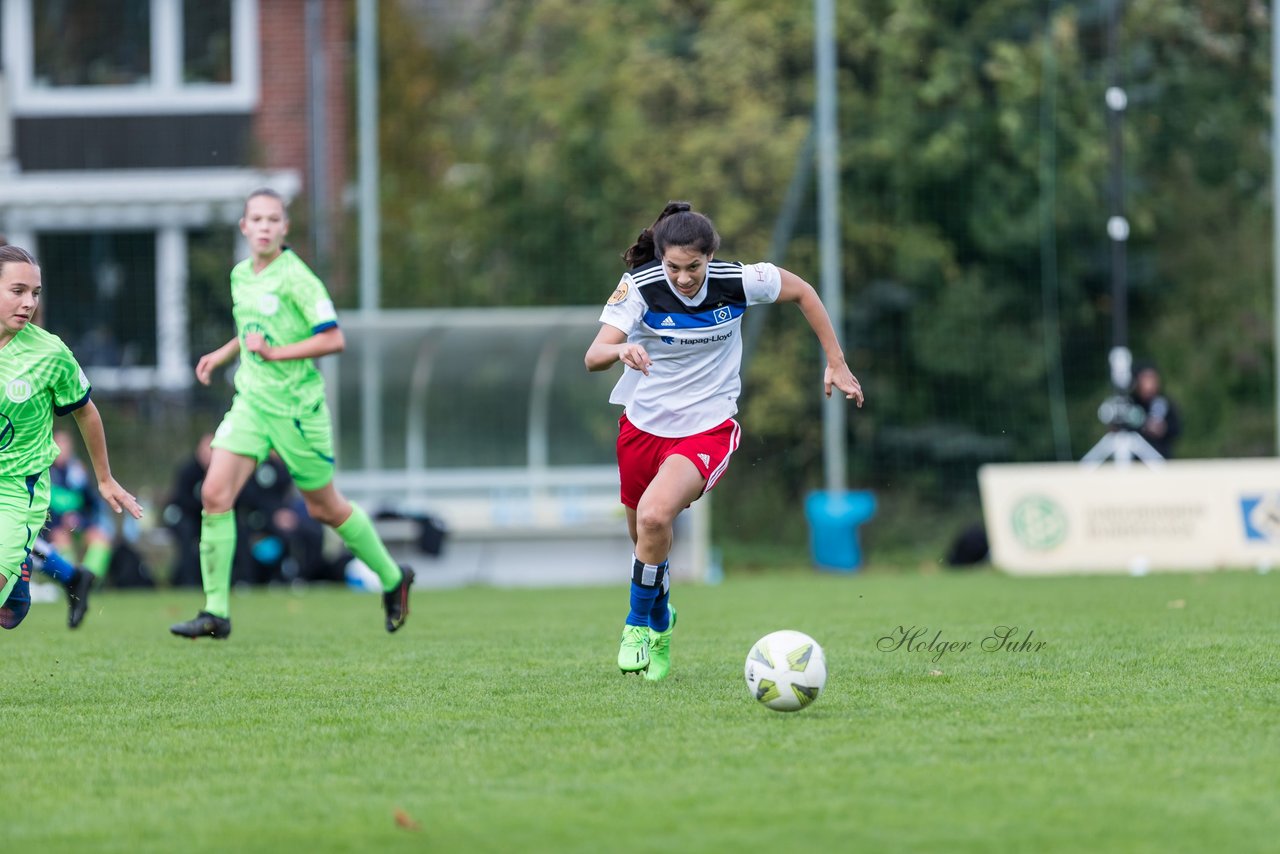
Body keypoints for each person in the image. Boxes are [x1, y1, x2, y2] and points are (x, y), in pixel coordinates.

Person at [585, 201, 864, 681]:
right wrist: (620, 348)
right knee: (645, 541)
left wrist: (836, 361)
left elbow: (803, 292)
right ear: (661, 258)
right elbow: (593, 356)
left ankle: (635, 624)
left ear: (710, 257)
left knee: (655, 516)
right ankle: (660, 618)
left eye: (693, 267)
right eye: (673, 266)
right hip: (643, 428)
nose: (684, 278)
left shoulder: (740, 280)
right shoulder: (642, 286)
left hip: (707, 427)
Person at [169, 188, 414, 640]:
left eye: (272, 220)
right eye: (256, 219)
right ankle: (216, 612)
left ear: (285, 228)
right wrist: (224, 355)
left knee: (325, 507)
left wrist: (277, 353)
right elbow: (251, 332)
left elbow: (333, 339)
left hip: (298, 411)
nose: (263, 227)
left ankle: (394, 578)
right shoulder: (241, 274)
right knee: (214, 495)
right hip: (252, 404)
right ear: (244, 227)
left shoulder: (299, 279)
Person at [0, 243, 143, 631]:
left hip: (17, 490)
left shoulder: (49, 353)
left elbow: (85, 411)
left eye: (35, 293)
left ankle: (18, 570)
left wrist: (104, 478)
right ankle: (20, 578)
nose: (29, 302)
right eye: (18, 291)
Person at [43, 428, 116, 626]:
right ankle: (69, 580)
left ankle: (87, 584)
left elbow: (91, 503)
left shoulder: (78, 471)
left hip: (79, 524)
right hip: (54, 527)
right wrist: (59, 520)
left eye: (66, 446)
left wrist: (80, 520)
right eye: (58, 445)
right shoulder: (43, 471)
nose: (62, 450)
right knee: (58, 538)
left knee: (101, 538)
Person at [1131, 363, 1180, 459]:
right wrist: (1144, 427)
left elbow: (1176, 428)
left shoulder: (1165, 403)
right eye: (1146, 379)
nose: (1150, 384)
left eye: (1152, 379)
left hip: (1161, 460)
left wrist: (1163, 428)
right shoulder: (1131, 404)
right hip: (1135, 464)